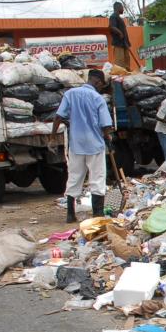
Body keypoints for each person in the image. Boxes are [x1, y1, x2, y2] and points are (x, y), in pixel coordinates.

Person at [50, 69, 114, 222]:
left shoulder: (70, 94)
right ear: (97, 82)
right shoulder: (98, 98)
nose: (100, 88)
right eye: (101, 85)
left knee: (74, 178)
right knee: (97, 179)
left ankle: (70, 215)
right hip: (95, 145)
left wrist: (52, 138)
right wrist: (108, 136)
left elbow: (58, 117)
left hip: (76, 145)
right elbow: (106, 124)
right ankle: (98, 214)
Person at [109, 2, 131, 69]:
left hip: (124, 43)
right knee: (120, 62)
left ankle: (127, 74)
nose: (123, 9)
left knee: (127, 60)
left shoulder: (119, 17)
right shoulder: (113, 16)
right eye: (122, 7)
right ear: (118, 7)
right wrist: (120, 33)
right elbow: (112, 27)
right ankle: (120, 76)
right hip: (118, 43)